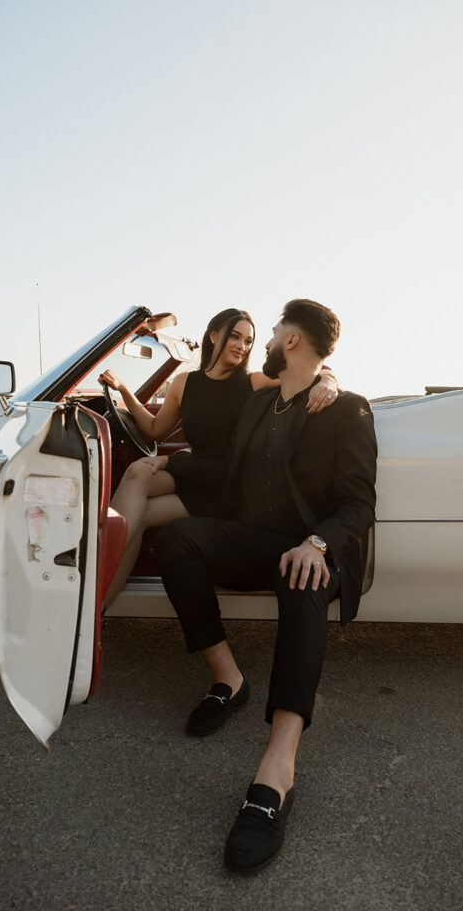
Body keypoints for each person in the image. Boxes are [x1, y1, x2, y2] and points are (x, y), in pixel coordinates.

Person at [153, 298, 377, 873]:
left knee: (302, 579)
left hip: (312, 549)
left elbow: (358, 505)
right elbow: (222, 468)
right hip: (257, 539)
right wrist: (165, 470)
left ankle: (277, 767)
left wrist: (319, 544)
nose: (266, 340)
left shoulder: (345, 408)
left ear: (293, 342)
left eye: (274, 331)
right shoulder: (256, 405)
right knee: (178, 539)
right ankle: (229, 679)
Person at [98, 308, 339, 607]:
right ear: (214, 335)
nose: (242, 346)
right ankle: (101, 605)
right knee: (137, 481)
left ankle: (95, 581)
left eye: (248, 340)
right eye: (235, 336)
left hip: (224, 486)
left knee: (137, 479)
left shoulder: (254, 381)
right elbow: (154, 429)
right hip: (195, 473)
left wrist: (329, 381)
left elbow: (310, 371)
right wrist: (123, 391)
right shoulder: (183, 383)